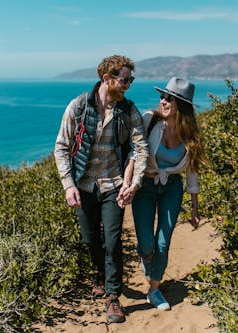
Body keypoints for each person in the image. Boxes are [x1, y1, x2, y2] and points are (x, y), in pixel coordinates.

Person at [54, 55, 148, 323]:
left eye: (131, 79)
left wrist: (134, 183)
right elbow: (61, 147)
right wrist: (68, 184)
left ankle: (112, 296)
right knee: (89, 238)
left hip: (113, 184)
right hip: (83, 184)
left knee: (113, 240)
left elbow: (140, 149)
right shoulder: (79, 106)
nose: (129, 84)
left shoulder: (128, 110)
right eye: (125, 79)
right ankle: (99, 275)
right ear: (107, 79)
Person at [131, 77, 207, 310]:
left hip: (171, 188)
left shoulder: (191, 134)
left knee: (162, 243)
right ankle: (148, 260)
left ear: (181, 104)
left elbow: (192, 172)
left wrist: (194, 208)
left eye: (169, 98)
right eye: (162, 96)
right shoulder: (149, 120)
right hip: (145, 186)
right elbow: (133, 154)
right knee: (146, 245)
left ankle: (154, 290)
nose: (162, 101)